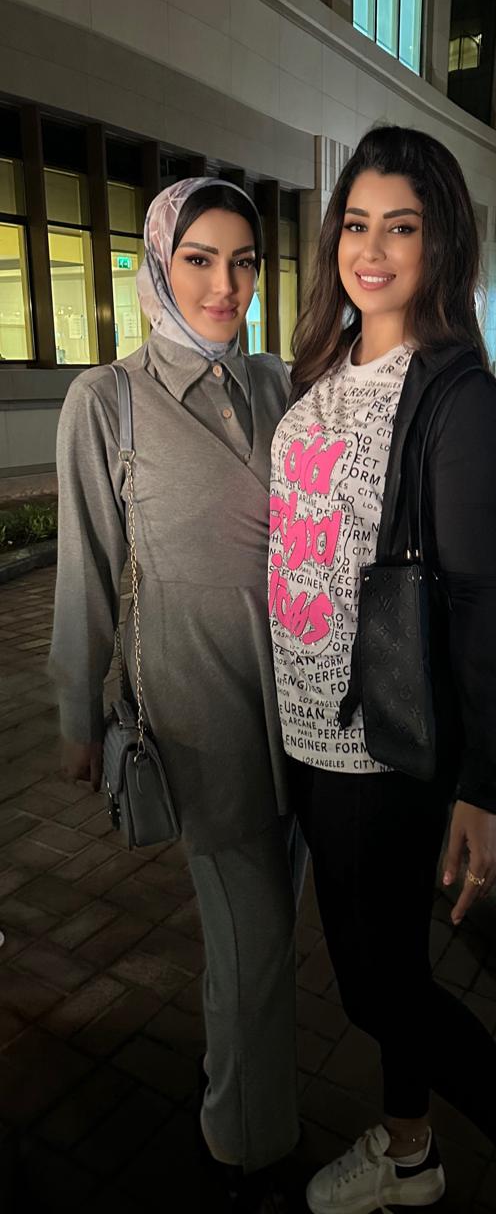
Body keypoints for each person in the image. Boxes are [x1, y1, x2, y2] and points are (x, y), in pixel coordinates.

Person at [268, 126, 496, 1214]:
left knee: (376, 992)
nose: (370, 251)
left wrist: (485, 788)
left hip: (383, 742)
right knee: (390, 974)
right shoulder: (320, 368)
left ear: (440, 242)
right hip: (303, 731)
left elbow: (472, 596)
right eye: (356, 224)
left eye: (400, 228)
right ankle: (410, 1152)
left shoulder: (455, 389)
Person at [49, 177, 301, 1213]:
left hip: (304, 707)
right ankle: (246, 1148)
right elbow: (85, 567)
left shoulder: (279, 381)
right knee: (257, 940)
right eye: (199, 259)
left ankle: (227, 1092)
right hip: (202, 707)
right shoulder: (108, 400)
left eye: (242, 261)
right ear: (159, 264)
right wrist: (79, 711)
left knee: (254, 936)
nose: (224, 283)